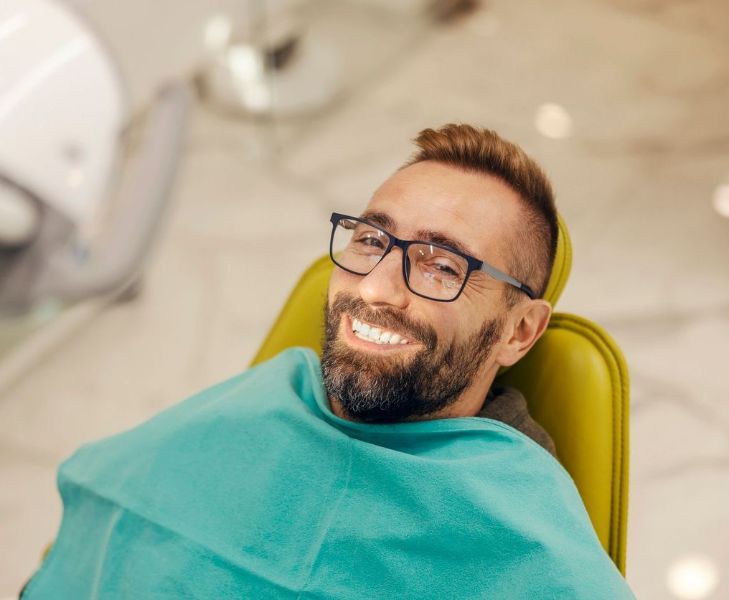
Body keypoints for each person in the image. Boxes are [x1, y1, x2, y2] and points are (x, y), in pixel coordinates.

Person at [22, 124, 636, 599]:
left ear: (519, 331)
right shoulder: (269, 398)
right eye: (371, 240)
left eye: (442, 265)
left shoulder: (525, 536)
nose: (374, 289)